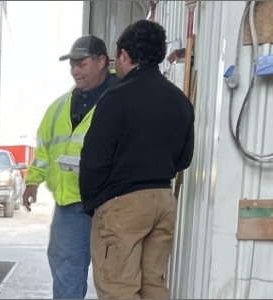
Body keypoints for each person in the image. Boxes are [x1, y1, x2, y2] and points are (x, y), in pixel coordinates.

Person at [79, 20, 194, 299]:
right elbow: (184, 159)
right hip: (163, 202)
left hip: (123, 206)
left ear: (124, 56)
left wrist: (95, 202)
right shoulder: (179, 100)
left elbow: (94, 160)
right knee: (154, 284)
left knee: (119, 289)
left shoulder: (116, 98)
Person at [22, 35, 117, 299]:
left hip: (110, 203)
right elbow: (44, 148)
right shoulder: (59, 106)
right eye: (72, 65)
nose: (75, 71)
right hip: (71, 204)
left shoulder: (121, 97)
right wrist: (33, 180)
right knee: (65, 268)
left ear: (101, 62)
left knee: (116, 276)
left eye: (81, 64)